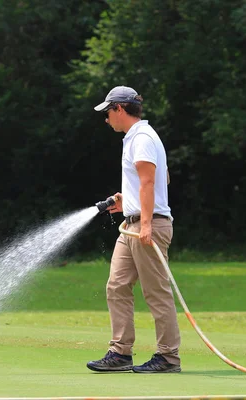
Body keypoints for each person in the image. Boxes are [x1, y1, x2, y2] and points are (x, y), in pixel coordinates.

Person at [87, 86, 181, 373]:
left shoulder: (141, 138)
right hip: (131, 225)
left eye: (108, 112)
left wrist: (147, 223)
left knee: (156, 292)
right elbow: (154, 180)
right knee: (116, 286)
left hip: (147, 226)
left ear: (119, 109)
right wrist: (126, 203)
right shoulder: (135, 138)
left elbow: (152, 182)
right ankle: (120, 353)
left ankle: (167, 357)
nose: (106, 119)